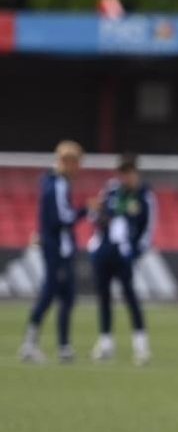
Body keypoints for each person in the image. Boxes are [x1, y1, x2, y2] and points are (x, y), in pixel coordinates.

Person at [19, 140, 89, 364]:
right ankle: (31, 344)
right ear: (67, 162)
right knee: (50, 293)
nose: (79, 168)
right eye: (77, 163)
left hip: (58, 247)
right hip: (57, 249)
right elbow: (62, 218)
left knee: (66, 296)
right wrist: (86, 211)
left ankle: (63, 347)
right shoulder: (57, 184)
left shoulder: (53, 183)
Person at [88, 153, 156, 365]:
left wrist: (134, 253)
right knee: (104, 297)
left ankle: (141, 345)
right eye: (122, 173)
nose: (125, 177)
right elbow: (95, 215)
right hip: (104, 251)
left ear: (136, 172)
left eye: (129, 173)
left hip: (125, 254)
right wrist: (96, 239)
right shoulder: (111, 190)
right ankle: (106, 342)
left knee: (130, 297)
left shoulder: (144, 195)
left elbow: (148, 229)